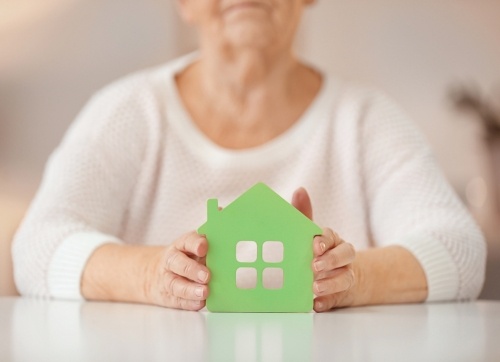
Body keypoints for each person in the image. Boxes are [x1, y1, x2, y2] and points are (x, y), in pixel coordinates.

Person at [12, 0, 486, 312]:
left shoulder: (367, 119)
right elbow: (37, 247)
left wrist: (351, 279)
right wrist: (155, 275)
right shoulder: (127, 112)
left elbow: (460, 250)